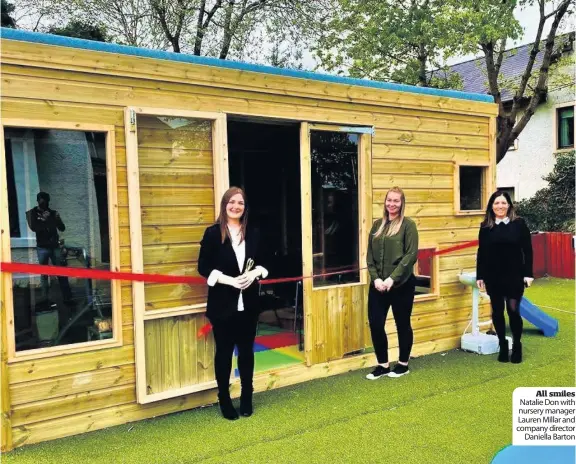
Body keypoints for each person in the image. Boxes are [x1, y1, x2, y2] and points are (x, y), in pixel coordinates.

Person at [198, 187, 268, 420]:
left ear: (245, 208)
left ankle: (247, 395)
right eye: (232, 202)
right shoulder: (212, 233)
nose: (236, 206)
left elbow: (267, 263)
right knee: (224, 353)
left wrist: (255, 273)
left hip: (248, 304)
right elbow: (203, 267)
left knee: (247, 352)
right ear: (225, 204)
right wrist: (227, 279)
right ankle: (224, 399)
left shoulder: (254, 233)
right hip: (222, 305)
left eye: (241, 203)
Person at [365, 186, 419, 380]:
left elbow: (411, 255)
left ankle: (403, 364)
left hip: (401, 285)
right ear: (385, 202)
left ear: (402, 203)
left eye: (396, 201)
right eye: (389, 200)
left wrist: (391, 279)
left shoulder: (408, 225)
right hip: (378, 285)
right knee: (376, 323)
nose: (392, 204)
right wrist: (377, 279)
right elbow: (369, 256)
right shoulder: (377, 225)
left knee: (402, 324)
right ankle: (382, 365)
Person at [476, 191, 533, 364]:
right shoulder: (486, 226)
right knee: (498, 311)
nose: (500, 206)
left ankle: (516, 345)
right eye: (496, 203)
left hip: (514, 275)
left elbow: (528, 250)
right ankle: (502, 343)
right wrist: (480, 275)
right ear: (491, 206)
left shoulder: (519, 224)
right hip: (493, 276)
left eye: (503, 203)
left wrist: (528, 274)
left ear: (509, 205)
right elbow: (482, 252)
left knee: (513, 310)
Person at [26, 192, 73, 304]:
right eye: (42, 201)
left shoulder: (52, 213)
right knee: (44, 274)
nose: (44, 204)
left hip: (54, 247)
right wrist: (43, 218)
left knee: (61, 272)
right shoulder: (32, 213)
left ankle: (67, 298)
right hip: (42, 248)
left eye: (46, 202)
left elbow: (62, 228)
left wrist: (58, 219)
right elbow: (34, 228)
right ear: (38, 201)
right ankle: (45, 298)